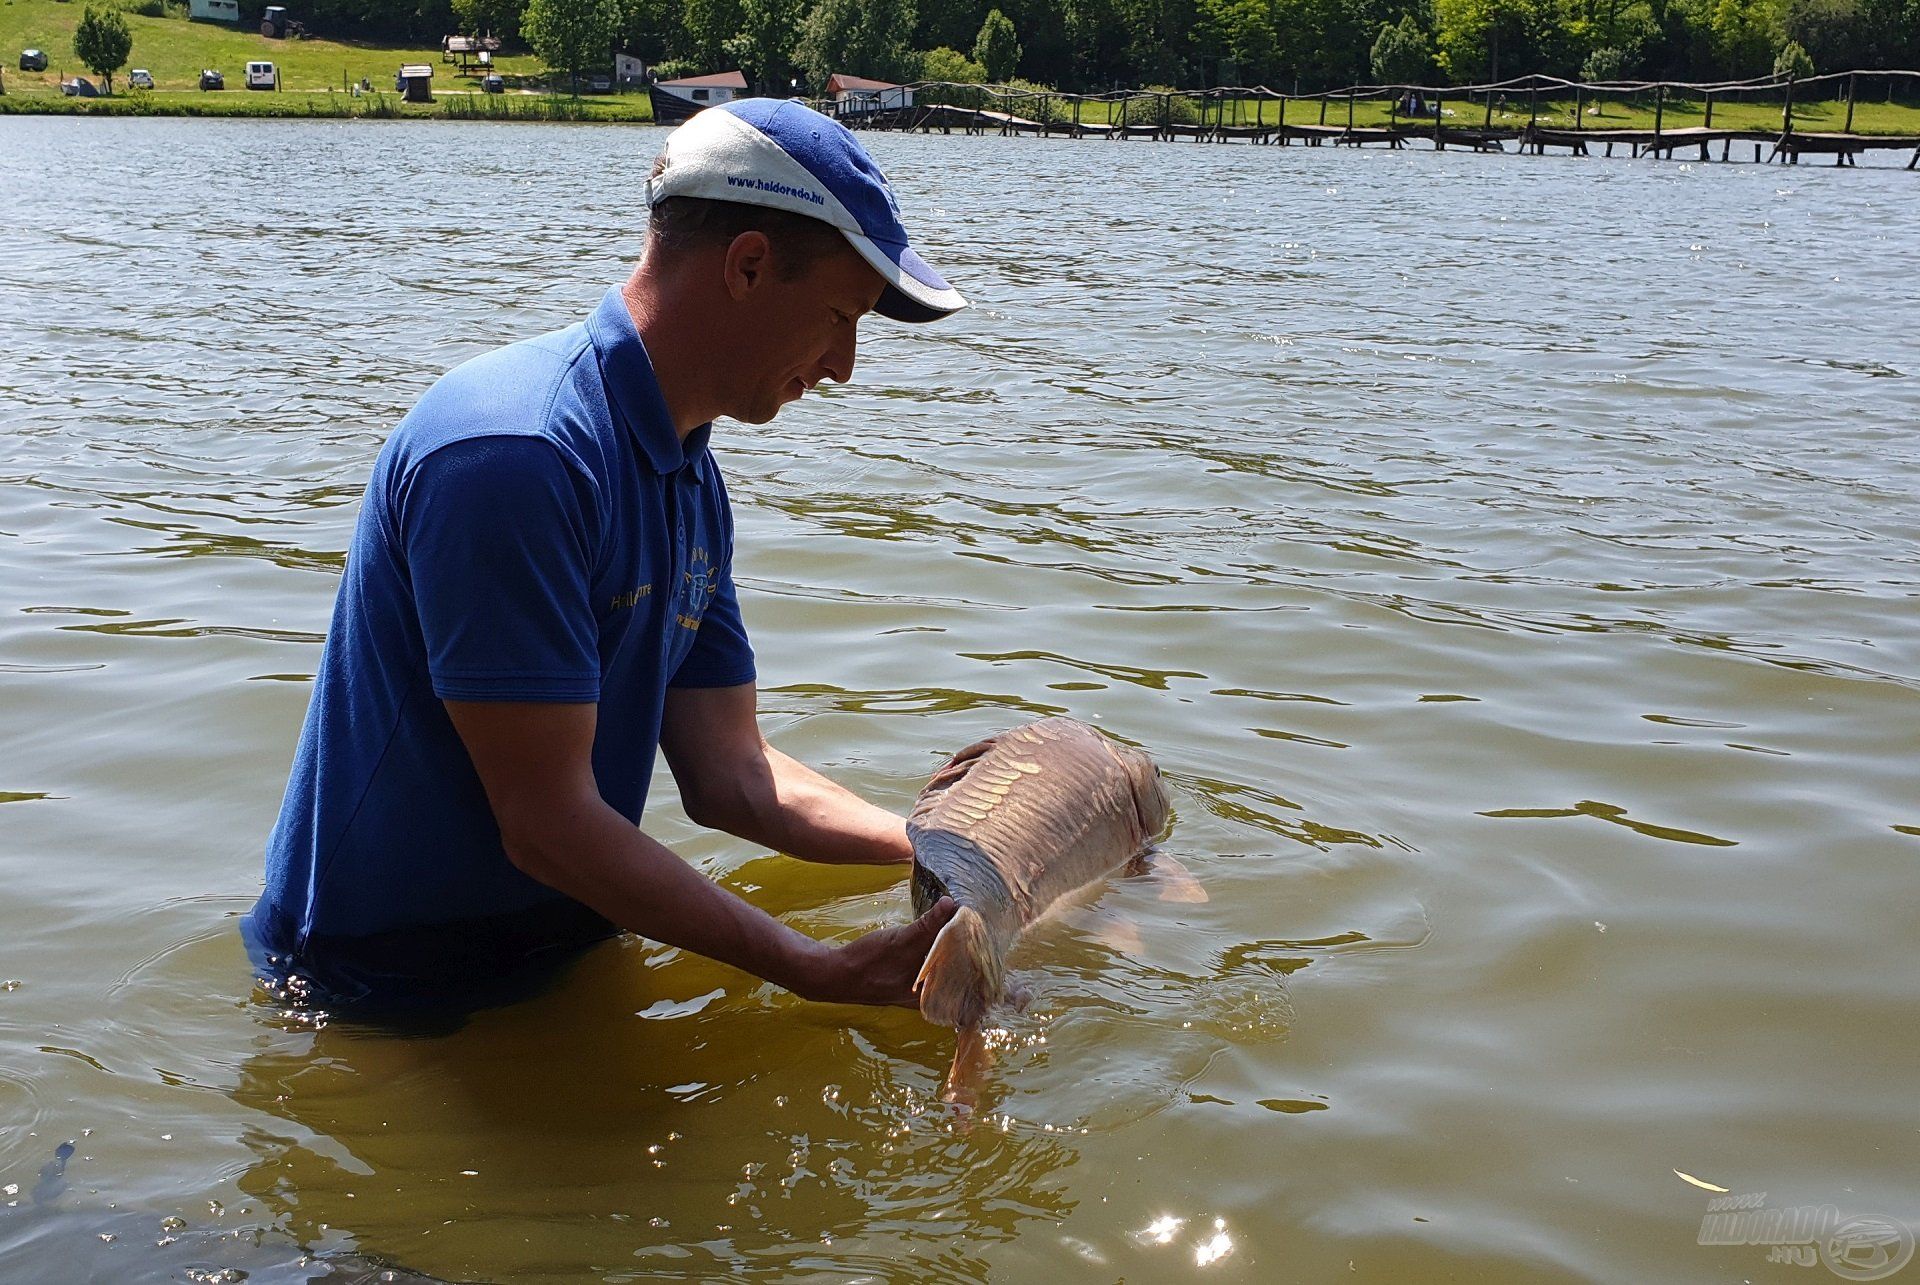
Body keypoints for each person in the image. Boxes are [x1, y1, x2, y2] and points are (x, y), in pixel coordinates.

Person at [244, 100, 968, 1010]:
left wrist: (945, 849)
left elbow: (731, 774)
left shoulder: (688, 479)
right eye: (837, 314)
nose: (843, 365)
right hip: (374, 999)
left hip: (557, 964)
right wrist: (817, 969)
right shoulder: (515, 454)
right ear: (748, 265)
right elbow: (546, 827)